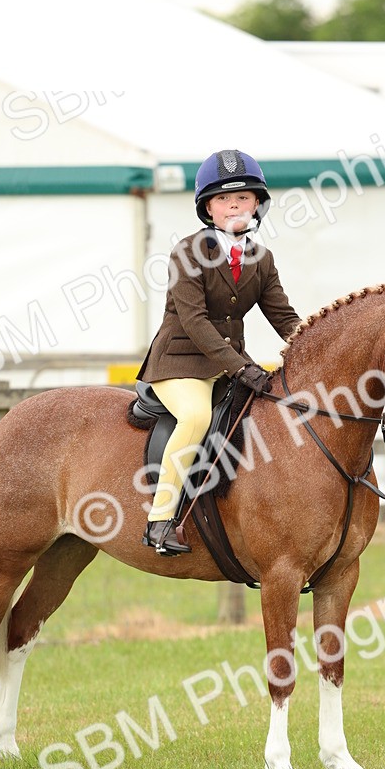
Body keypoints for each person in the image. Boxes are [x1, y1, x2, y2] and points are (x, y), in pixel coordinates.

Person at [136, 149, 302, 556]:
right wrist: (242, 368)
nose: (235, 205)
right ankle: (159, 521)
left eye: (244, 197)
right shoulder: (187, 253)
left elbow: (283, 316)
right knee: (196, 417)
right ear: (208, 208)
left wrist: (317, 346)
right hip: (180, 363)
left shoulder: (261, 259)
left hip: (228, 368)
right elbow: (194, 322)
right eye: (225, 199)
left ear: (257, 205)